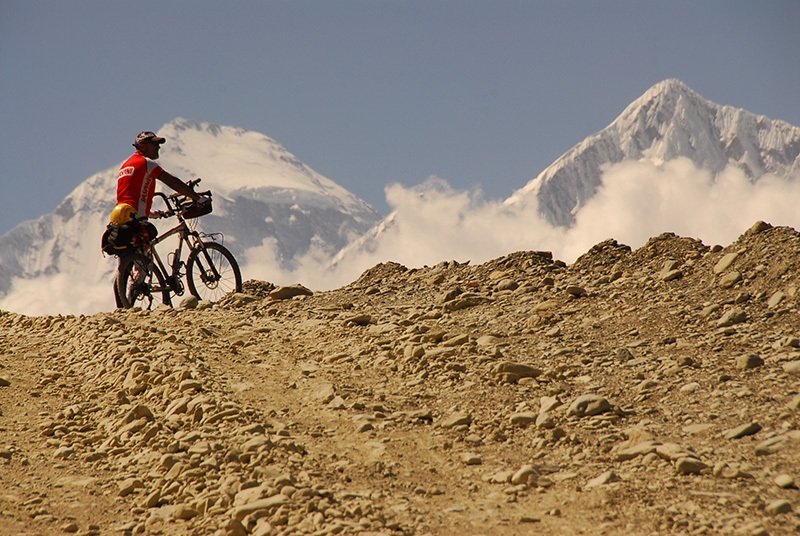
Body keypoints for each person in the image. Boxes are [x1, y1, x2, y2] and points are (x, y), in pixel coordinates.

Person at [111, 130, 207, 307]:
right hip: (137, 219)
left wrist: (155, 213)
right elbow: (172, 182)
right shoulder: (145, 163)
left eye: (158, 144)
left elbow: (131, 196)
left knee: (124, 266)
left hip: (122, 217)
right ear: (141, 145)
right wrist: (196, 197)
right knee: (143, 265)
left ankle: (122, 307)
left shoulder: (125, 166)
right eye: (154, 143)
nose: (158, 147)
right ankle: (131, 304)